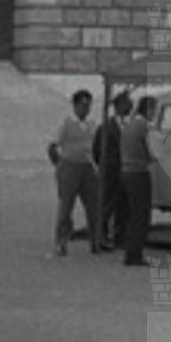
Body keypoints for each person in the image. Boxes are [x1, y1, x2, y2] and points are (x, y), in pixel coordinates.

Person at [48, 89, 101, 255]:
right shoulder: (66, 123)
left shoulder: (92, 124)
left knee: (93, 206)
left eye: (88, 105)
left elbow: (96, 145)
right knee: (66, 207)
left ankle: (96, 241)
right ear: (75, 105)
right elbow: (52, 146)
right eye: (83, 105)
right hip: (69, 165)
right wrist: (60, 165)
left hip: (87, 166)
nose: (86, 109)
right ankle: (61, 242)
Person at [120, 95, 155, 267]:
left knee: (132, 213)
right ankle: (135, 254)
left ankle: (130, 251)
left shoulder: (129, 124)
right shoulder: (143, 126)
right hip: (139, 172)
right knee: (141, 214)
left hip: (127, 172)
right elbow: (151, 150)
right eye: (153, 109)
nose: (154, 113)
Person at [94, 91, 128, 251]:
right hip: (110, 171)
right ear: (119, 105)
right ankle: (101, 236)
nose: (130, 106)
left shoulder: (128, 125)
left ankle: (119, 237)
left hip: (124, 170)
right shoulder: (106, 127)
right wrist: (105, 165)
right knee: (106, 204)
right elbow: (97, 149)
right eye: (127, 103)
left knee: (123, 205)